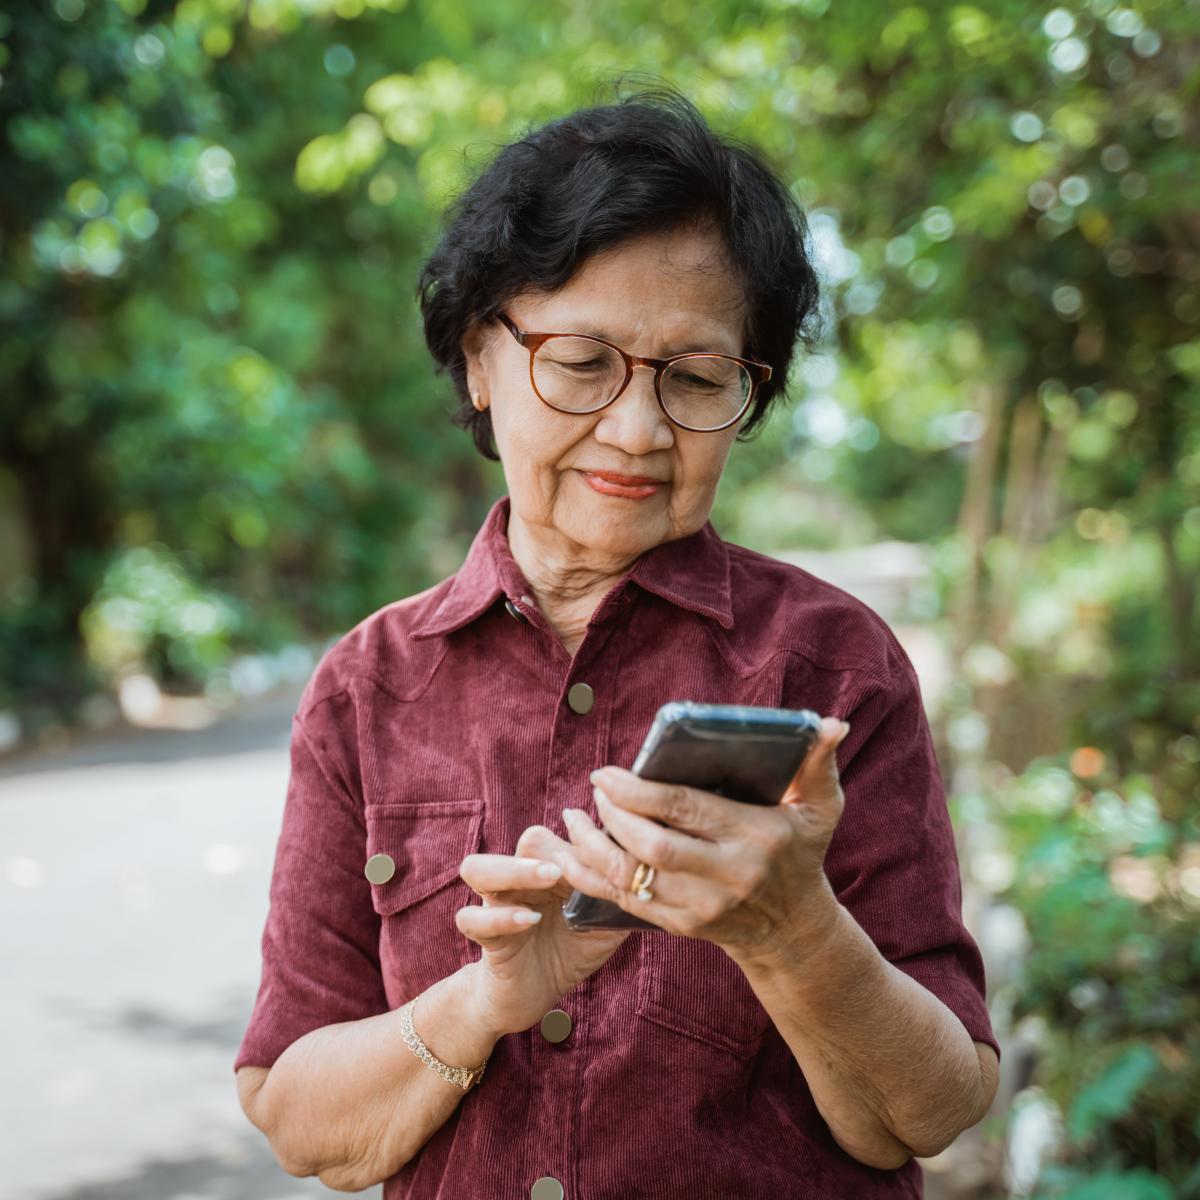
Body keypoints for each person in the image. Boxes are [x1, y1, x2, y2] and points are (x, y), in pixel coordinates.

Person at [233, 83, 1000, 1199]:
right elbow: (301, 1123)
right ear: (480, 360)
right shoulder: (368, 686)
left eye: (696, 378)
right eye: (583, 362)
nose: (637, 431)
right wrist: (484, 1001)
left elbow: (930, 1111)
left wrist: (792, 930)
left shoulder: (835, 668)